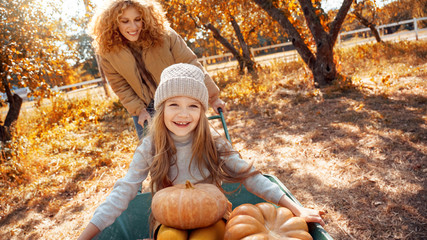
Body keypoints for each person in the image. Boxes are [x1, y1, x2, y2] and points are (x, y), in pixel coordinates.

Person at [78, 63, 325, 240]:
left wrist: (296, 208)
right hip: (168, 217)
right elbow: (124, 190)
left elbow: (248, 175)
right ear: (161, 109)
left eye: (193, 106)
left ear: (201, 110)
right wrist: (86, 236)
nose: (183, 114)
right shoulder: (151, 145)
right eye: (174, 104)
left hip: (212, 215)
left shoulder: (212, 140)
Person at [87, 0, 225, 139]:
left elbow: (191, 63)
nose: (133, 26)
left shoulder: (165, 35)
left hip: (178, 100)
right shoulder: (107, 52)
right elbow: (120, 86)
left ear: (145, 18)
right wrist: (139, 110)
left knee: (195, 147)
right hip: (147, 109)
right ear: (113, 22)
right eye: (125, 21)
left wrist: (213, 97)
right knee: (154, 156)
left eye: (137, 19)